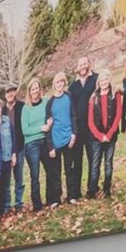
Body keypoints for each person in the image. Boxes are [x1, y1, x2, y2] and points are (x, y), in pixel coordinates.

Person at [89, 68, 125, 200]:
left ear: (109, 80)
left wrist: (109, 135)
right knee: (95, 165)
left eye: (106, 79)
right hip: (96, 138)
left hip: (111, 136)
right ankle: (92, 191)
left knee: (108, 164)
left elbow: (118, 116)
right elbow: (90, 121)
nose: (104, 82)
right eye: (101, 80)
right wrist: (100, 136)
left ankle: (107, 189)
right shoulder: (94, 97)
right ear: (98, 82)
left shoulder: (115, 95)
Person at [46, 71, 78, 205]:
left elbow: (73, 116)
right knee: (55, 172)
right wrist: (50, 146)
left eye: (61, 81)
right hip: (56, 140)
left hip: (68, 139)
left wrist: (74, 134)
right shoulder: (50, 102)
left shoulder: (69, 96)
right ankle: (56, 199)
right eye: (57, 82)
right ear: (54, 84)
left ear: (64, 83)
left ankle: (71, 196)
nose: (59, 84)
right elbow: (47, 125)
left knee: (69, 169)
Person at [18, 78, 50, 210]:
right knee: (35, 175)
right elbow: (25, 130)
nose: (35, 91)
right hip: (32, 144)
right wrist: (40, 128)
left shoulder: (46, 102)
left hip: (46, 141)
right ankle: (37, 204)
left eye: (37, 88)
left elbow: (51, 115)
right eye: (32, 89)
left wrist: (50, 122)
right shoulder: (26, 108)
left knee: (50, 171)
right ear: (29, 91)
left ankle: (51, 198)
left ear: (40, 89)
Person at [69, 56, 98, 198]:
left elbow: (107, 89)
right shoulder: (72, 86)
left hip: (92, 127)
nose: (83, 66)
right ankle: (76, 192)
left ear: (88, 64)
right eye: (80, 64)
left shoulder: (96, 79)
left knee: (93, 158)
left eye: (85, 63)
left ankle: (92, 189)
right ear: (77, 66)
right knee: (77, 160)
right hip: (78, 128)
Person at [0, 90, 18, 213]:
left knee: (7, 184)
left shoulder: (7, 121)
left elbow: (13, 137)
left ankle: (7, 207)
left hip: (7, 156)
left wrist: (14, 154)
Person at [3, 84, 25, 212]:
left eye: (12, 92)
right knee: (6, 179)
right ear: (5, 95)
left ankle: (19, 203)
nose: (10, 94)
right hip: (6, 149)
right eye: (7, 92)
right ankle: (7, 205)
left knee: (19, 177)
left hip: (20, 147)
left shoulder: (22, 106)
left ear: (15, 93)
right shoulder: (2, 110)